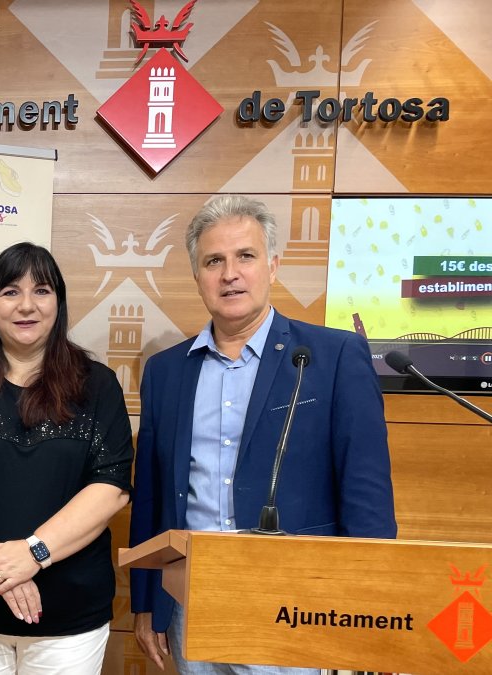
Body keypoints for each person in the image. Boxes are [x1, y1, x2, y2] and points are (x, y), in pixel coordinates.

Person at [129, 195, 397, 674]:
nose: (230, 273)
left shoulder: (332, 357)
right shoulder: (165, 372)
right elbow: (151, 497)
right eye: (214, 261)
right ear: (197, 276)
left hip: (297, 600)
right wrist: (146, 602)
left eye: (245, 257)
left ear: (272, 266)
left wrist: (370, 606)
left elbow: (366, 490)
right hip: (192, 598)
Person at [0, 242, 133, 674]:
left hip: (69, 618)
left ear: (59, 303)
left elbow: (111, 487)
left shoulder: (98, 386)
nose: (27, 305)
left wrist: (33, 553)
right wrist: (1, 569)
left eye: (42, 290)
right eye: (10, 292)